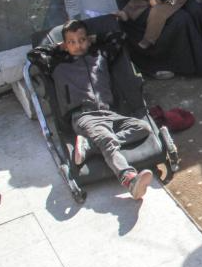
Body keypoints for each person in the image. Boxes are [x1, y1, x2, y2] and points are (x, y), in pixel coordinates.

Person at [52, 20, 153, 200]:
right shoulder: (59, 63)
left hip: (109, 113)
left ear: (88, 40)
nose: (78, 45)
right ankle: (129, 180)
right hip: (84, 115)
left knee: (143, 127)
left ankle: (90, 146)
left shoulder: (100, 55)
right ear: (65, 45)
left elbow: (119, 37)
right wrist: (59, 48)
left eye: (82, 40)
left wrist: (95, 38)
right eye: (72, 42)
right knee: (106, 140)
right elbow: (35, 56)